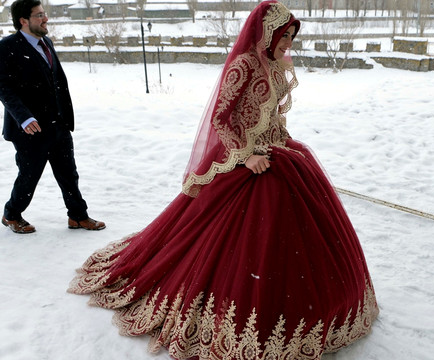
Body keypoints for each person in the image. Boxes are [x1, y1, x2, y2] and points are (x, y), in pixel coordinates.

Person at [68, 1, 378, 359]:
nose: (288, 43)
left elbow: (273, 114)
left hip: (275, 150)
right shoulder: (244, 64)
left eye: (291, 37)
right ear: (267, 32)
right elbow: (221, 119)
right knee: (235, 235)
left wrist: (279, 144)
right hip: (246, 158)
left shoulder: (276, 65)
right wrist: (247, 156)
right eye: (284, 36)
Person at [0, 0, 105, 234]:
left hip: (58, 124)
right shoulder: (6, 47)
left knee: (68, 173)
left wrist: (64, 115)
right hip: (29, 128)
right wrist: (23, 118)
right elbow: (2, 86)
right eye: (39, 15)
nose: (46, 19)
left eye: (45, 13)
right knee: (29, 176)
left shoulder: (47, 43)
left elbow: (55, 82)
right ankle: (11, 214)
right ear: (23, 20)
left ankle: (77, 215)